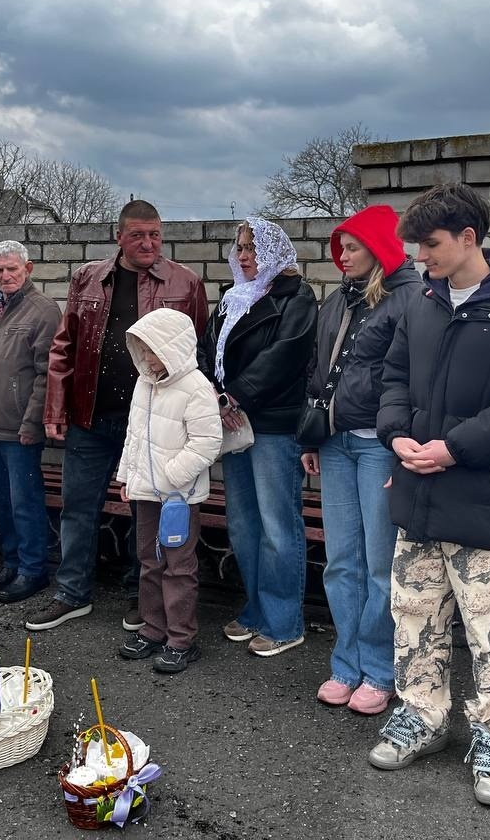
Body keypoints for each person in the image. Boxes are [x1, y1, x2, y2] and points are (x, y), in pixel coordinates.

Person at [367, 183, 490, 808]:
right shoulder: (422, 301)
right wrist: (397, 436)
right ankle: (421, 714)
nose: (421, 258)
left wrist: (453, 447)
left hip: (481, 496)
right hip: (417, 496)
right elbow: (392, 375)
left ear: (470, 238)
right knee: (415, 619)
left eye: (431, 245)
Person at [27, 199, 208, 633]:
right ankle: (72, 594)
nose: (148, 244)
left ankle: (139, 596)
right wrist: (55, 408)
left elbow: (196, 350)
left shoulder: (186, 282)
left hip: (151, 425)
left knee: (144, 513)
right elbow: (63, 347)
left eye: (155, 235)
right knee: (78, 508)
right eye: (138, 235)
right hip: (91, 417)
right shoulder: (87, 278)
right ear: (119, 236)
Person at [301, 204, 419, 714]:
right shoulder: (337, 302)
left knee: (378, 565)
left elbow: (414, 378)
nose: (342, 257)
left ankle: (380, 669)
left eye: (352, 247)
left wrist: (400, 444)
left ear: (378, 246)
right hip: (335, 441)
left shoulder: (410, 297)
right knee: (341, 561)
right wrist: (311, 434)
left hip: (377, 446)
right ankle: (345, 663)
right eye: (340, 248)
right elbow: (317, 368)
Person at [197, 217, 317, 657]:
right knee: (244, 523)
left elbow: (283, 357)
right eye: (240, 248)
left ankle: (285, 622)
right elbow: (207, 350)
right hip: (232, 421)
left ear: (273, 253)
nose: (244, 256)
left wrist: (235, 396)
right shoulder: (231, 299)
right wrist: (214, 393)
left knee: (276, 525)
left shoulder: (296, 298)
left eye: (251, 248)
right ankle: (256, 608)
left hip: (271, 425)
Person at [114, 308, 221, 673]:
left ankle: (181, 638)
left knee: (178, 566)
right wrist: (128, 476)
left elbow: (207, 442)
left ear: (173, 348)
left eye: (153, 349)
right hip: (146, 494)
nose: (146, 357)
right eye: (142, 349)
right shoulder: (144, 384)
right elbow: (134, 435)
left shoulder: (196, 388)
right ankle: (153, 628)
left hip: (179, 497)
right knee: (148, 561)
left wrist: (171, 475)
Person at [0, 241, 61, 605]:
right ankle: (11, 563)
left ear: (28, 269)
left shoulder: (43, 310)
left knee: (25, 501)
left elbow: (45, 375)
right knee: (0, 501)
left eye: (12, 269)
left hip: (20, 429)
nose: (5, 275)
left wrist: (32, 423)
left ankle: (33, 571)